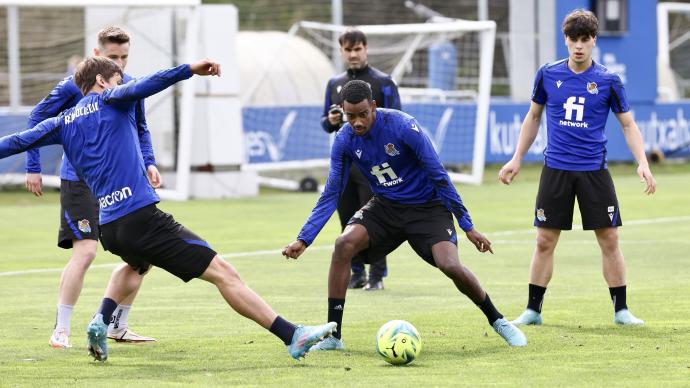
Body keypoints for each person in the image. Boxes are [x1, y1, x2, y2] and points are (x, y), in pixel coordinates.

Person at [0, 57, 337, 362]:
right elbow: (151, 82)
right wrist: (188, 70)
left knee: (137, 265)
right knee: (224, 273)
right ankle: (292, 336)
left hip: (111, 228)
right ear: (103, 82)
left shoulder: (62, 122)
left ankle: (101, 321)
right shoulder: (110, 98)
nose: (123, 85)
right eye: (118, 80)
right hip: (141, 217)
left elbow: (16, 141)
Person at [283, 80, 527, 351]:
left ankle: (499, 320)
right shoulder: (344, 139)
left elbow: (439, 176)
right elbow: (331, 194)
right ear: (343, 111)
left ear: (373, 107)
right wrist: (304, 239)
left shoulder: (404, 127)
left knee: (450, 265)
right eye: (351, 116)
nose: (358, 122)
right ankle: (333, 336)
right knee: (343, 244)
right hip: (386, 207)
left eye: (363, 114)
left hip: (428, 208)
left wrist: (467, 226)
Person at [498, 9, 656, 326]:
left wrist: (643, 161)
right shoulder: (548, 74)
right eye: (574, 39)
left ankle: (621, 311)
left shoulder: (609, 81)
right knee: (544, 240)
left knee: (609, 238)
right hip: (555, 169)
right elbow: (533, 117)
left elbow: (628, 125)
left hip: (594, 171)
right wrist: (517, 157)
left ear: (594, 41)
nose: (579, 46)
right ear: (566, 40)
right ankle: (532, 311)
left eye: (585, 39)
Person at [25, 26, 158, 348]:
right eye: (113, 57)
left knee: (144, 253)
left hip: (121, 182)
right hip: (80, 180)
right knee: (85, 253)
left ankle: (118, 325)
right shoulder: (75, 84)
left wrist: (149, 161)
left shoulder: (128, 85)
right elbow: (36, 119)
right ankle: (61, 330)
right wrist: (33, 167)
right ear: (97, 54)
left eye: (125, 57)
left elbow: (140, 127)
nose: (121, 64)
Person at [320, 28, 402, 291]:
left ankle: (377, 275)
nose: (353, 54)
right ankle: (356, 272)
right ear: (341, 51)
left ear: (366, 49)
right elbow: (325, 123)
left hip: (375, 165)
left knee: (375, 220)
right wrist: (331, 121)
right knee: (347, 219)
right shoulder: (334, 84)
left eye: (357, 49)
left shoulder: (384, 82)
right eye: (348, 49)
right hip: (346, 164)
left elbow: (396, 120)